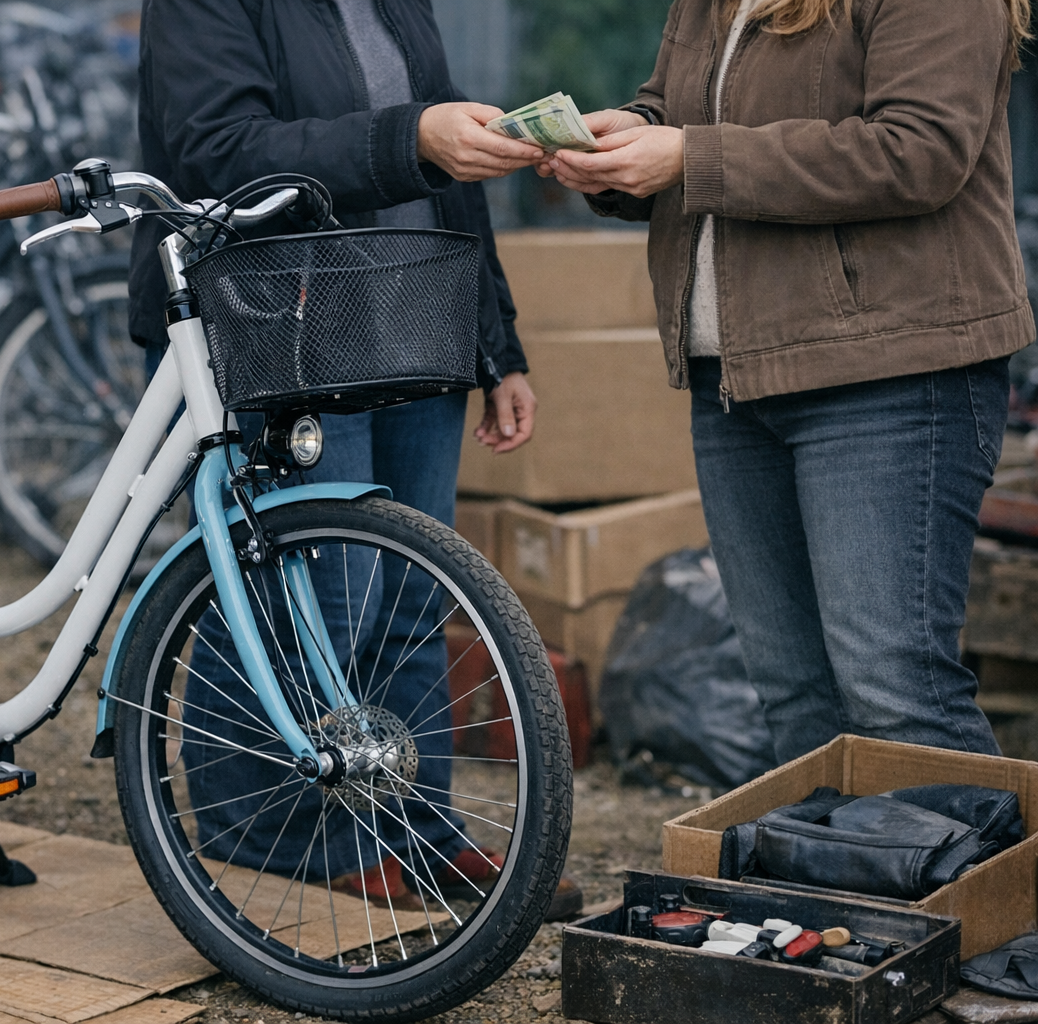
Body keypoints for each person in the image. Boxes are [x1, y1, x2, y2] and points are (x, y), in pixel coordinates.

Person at [130, 0, 584, 918]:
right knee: (319, 596)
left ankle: (415, 826)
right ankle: (275, 829)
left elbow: (456, 188)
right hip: (279, 326)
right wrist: (410, 136)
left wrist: (498, 347)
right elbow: (220, 150)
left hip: (411, 319)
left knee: (414, 600)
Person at [533, 0, 1034, 763]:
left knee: (896, 692)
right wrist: (621, 146)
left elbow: (919, 150)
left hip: (891, 371)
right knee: (793, 692)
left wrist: (688, 157)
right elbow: (678, 113)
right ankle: (839, 881)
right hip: (736, 377)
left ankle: (968, 879)